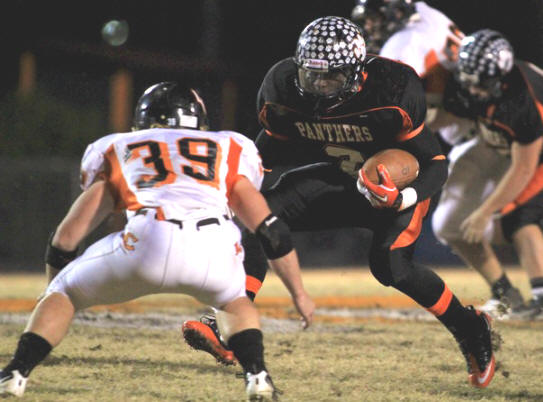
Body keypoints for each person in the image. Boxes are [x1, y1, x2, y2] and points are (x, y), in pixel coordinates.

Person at [183, 16, 497, 388]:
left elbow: (434, 164)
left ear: (356, 72)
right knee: (255, 219)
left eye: (330, 76)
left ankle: (471, 327)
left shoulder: (393, 89)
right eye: (310, 74)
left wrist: (403, 198)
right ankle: (226, 325)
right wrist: (230, 194)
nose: (318, 85)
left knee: (391, 266)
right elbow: (260, 153)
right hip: (339, 178)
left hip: (389, 189)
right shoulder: (282, 87)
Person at [0, 82, 315, 400]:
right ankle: (257, 376)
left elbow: (66, 237)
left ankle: (15, 373)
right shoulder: (229, 148)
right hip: (212, 247)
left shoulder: (123, 148)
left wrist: (57, 294)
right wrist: (299, 294)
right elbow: (271, 230)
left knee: (62, 292)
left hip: (147, 240)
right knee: (234, 300)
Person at [351, 0, 527, 316]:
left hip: (483, 132)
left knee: (519, 217)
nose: (371, 27)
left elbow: (393, 104)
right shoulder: (429, 16)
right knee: (455, 223)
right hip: (474, 132)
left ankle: (528, 287)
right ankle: (506, 291)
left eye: (377, 18)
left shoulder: (405, 42)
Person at [431, 29, 543, 319]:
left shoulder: (522, 99)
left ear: (501, 79)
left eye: (481, 85)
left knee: (520, 215)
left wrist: (485, 211)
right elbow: (452, 113)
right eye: (468, 81)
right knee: (448, 224)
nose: (472, 90)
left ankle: (541, 295)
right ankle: (506, 293)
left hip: (533, 154)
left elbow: (524, 167)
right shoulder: (466, 78)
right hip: (492, 142)